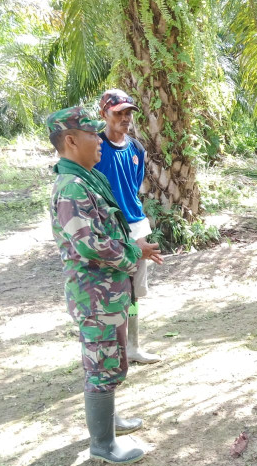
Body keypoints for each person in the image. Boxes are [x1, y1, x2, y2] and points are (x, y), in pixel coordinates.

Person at [47, 106, 163, 464]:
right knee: (101, 365)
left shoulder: (86, 177)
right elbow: (88, 243)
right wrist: (134, 251)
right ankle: (102, 444)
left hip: (107, 292)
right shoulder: (71, 187)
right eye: (92, 135)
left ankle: (110, 424)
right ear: (70, 140)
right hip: (95, 295)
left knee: (110, 359)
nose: (100, 141)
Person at [95, 89, 160, 364]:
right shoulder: (94, 147)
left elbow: (134, 186)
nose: (124, 118)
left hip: (136, 225)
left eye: (128, 113)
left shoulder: (136, 148)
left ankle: (132, 347)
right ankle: (111, 351)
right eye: (118, 113)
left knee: (134, 291)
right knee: (109, 292)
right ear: (104, 114)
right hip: (108, 229)